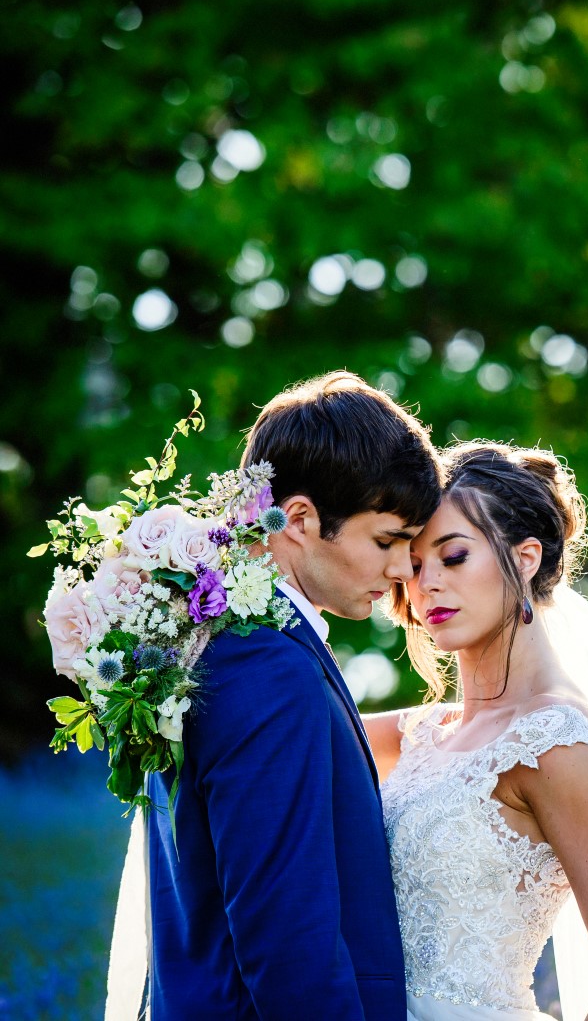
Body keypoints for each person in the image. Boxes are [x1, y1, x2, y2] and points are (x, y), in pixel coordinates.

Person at [109, 371, 443, 1020]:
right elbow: (287, 938)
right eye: (387, 541)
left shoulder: (213, 639)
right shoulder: (266, 666)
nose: (404, 570)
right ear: (299, 519)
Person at [364, 440, 588, 1021]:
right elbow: (300, 730)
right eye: (414, 565)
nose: (427, 585)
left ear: (525, 558)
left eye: (453, 557)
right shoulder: (421, 734)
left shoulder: (554, 741)